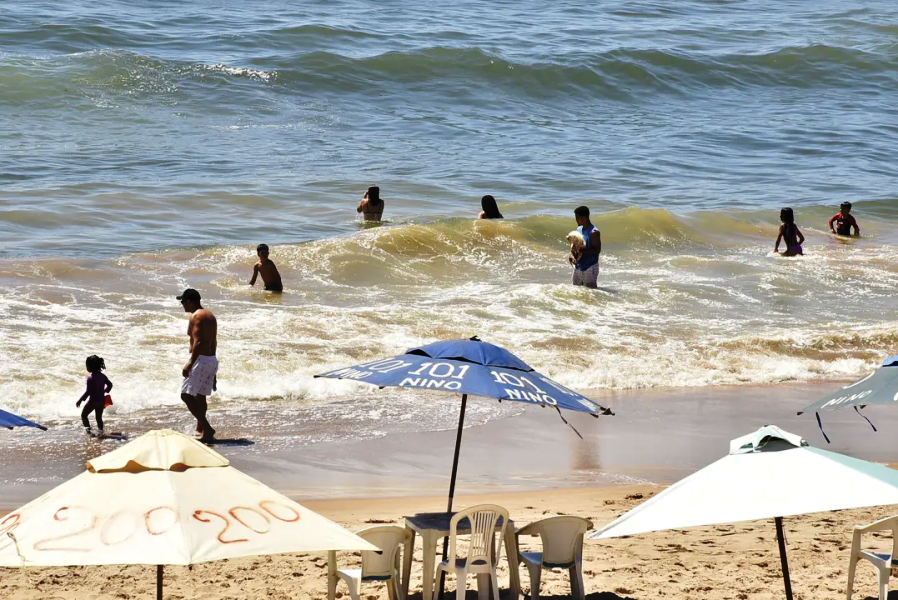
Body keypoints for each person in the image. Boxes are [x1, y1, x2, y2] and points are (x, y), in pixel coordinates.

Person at [177, 288, 218, 441]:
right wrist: (213, 367)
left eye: (183, 302)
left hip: (200, 359)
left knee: (185, 395)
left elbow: (199, 342)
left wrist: (190, 363)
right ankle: (200, 430)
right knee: (201, 396)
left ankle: (207, 429)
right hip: (211, 359)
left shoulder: (195, 316)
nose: (182, 305)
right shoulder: (210, 315)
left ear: (189, 302)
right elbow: (213, 341)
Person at [76, 355, 113, 436]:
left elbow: (88, 392)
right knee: (99, 418)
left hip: (93, 401)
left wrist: (80, 400)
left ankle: (89, 432)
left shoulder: (90, 378)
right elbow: (110, 385)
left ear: (90, 366)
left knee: (84, 415)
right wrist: (105, 391)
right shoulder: (103, 376)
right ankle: (101, 433)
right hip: (101, 401)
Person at [570, 206, 601, 288]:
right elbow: (576, 246)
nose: (576, 220)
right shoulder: (579, 229)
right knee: (576, 289)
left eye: (577, 218)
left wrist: (582, 251)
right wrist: (574, 257)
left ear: (584, 218)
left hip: (590, 267)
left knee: (590, 292)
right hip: (579, 265)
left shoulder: (594, 232)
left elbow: (597, 250)